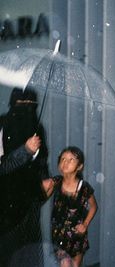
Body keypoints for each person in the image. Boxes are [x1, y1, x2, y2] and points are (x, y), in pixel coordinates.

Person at [0, 87, 49, 267]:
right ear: (13, 104)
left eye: (31, 104)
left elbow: (42, 160)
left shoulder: (37, 128)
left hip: (30, 202)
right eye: (21, 104)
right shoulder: (2, 125)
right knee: (8, 251)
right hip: (6, 203)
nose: (27, 108)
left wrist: (45, 181)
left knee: (30, 253)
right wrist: (25, 151)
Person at [42, 146, 97, 267]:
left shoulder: (84, 187)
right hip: (59, 235)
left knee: (76, 265)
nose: (65, 162)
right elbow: (42, 194)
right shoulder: (56, 182)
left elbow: (93, 206)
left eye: (71, 159)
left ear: (79, 167)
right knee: (65, 264)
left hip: (77, 234)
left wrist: (85, 224)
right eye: (62, 159)